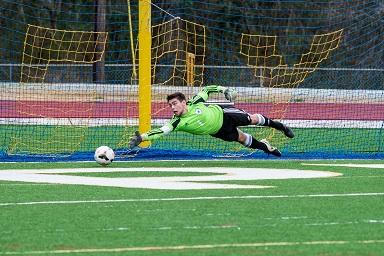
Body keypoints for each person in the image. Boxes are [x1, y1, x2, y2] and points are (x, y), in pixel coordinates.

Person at [128, 85, 294, 157]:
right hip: (218, 131)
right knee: (242, 139)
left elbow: (207, 90)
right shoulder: (176, 123)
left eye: (174, 104)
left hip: (224, 114)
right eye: (170, 105)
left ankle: (280, 126)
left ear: (184, 102)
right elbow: (160, 131)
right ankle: (266, 147)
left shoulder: (194, 102)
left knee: (251, 119)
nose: (172, 107)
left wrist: (225, 90)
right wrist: (142, 137)